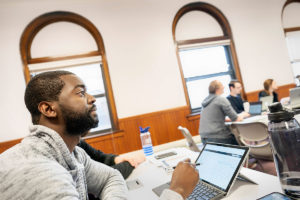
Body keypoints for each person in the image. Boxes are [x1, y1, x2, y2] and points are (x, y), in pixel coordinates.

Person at [0, 71, 198, 200]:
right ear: (48, 109)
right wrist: (177, 191)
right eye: (80, 93)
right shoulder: (41, 174)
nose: (92, 98)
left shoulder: (73, 153)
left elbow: (110, 177)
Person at [199, 80, 249, 145]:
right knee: (240, 144)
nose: (224, 87)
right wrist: (243, 114)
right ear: (217, 89)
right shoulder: (221, 99)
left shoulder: (205, 101)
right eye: (222, 85)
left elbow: (215, 118)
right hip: (217, 136)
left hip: (204, 137)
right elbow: (236, 119)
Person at [78, 139, 144, 179]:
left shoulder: (79, 142)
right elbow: (101, 176)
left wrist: (117, 159)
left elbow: (98, 156)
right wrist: (131, 163)